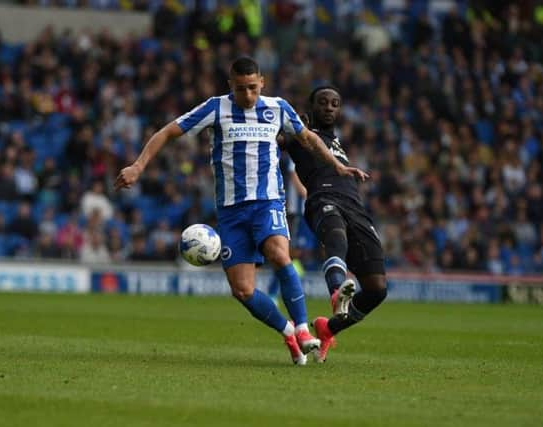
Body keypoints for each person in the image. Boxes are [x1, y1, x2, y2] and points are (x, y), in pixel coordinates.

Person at [115, 57, 366, 365]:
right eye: (239, 89)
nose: (247, 95)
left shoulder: (278, 107)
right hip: (232, 211)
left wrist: (337, 165)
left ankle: (302, 330)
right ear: (229, 85)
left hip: (268, 201)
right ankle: (288, 331)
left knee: (279, 254)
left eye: (252, 88)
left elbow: (308, 138)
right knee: (243, 290)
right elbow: (168, 131)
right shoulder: (215, 108)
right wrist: (138, 165)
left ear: (261, 82)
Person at [284, 86, 387, 363]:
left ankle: (328, 329)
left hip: (356, 206)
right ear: (311, 106)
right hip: (322, 198)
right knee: (336, 235)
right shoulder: (300, 132)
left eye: (335, 103)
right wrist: (290, 126)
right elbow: (276, 139)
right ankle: (335, 292)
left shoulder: (336, 140)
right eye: (323, 102)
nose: (329, 107)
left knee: (377, 288)